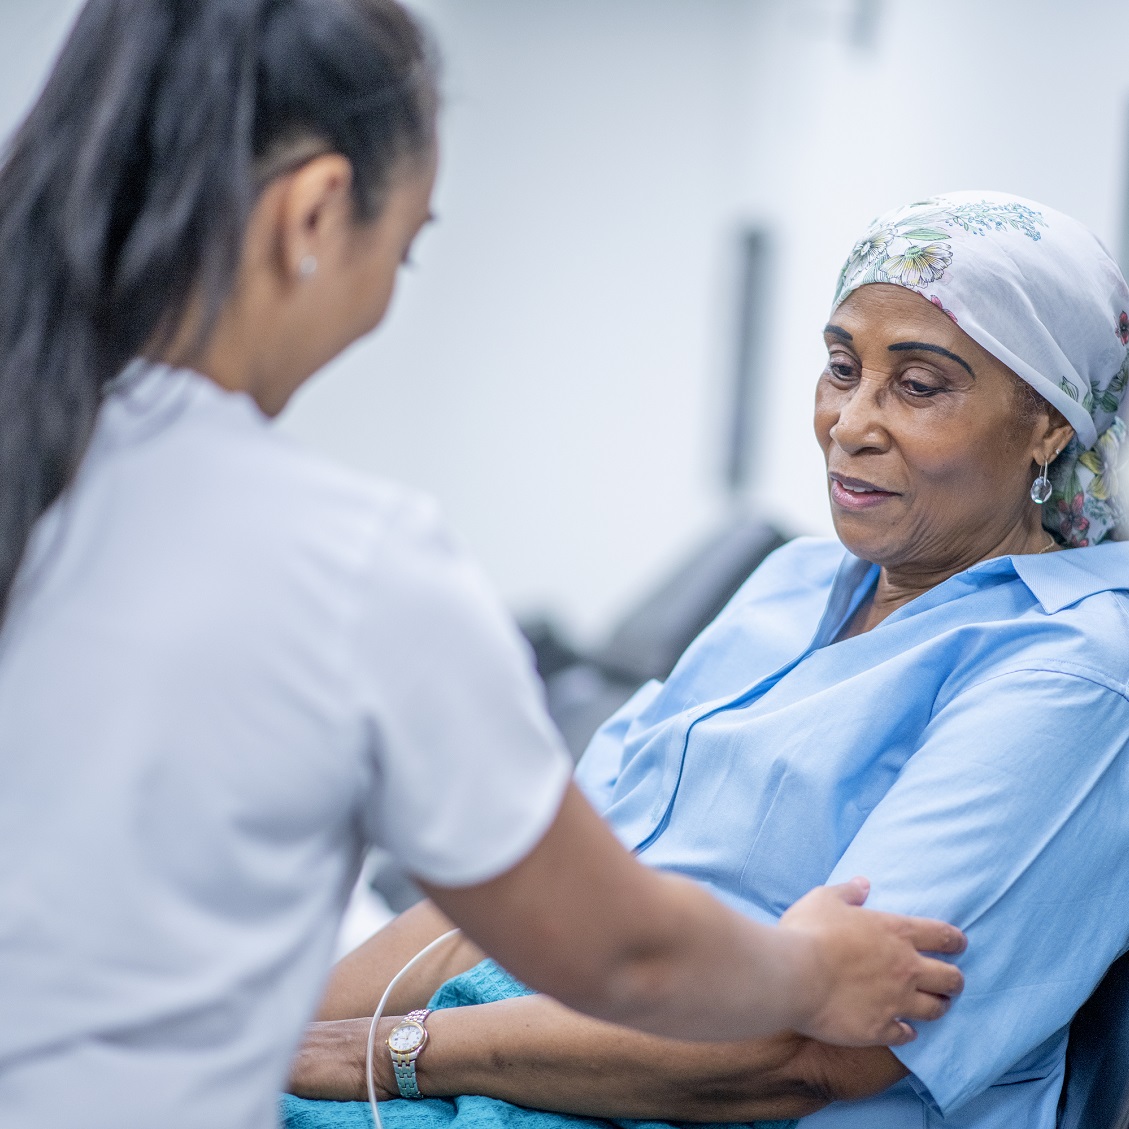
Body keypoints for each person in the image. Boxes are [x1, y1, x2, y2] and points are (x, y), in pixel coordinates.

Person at [0, 2, 972, 1128]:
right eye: (404, 246)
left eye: (916, 384)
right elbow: (623, 951)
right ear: (316, 211)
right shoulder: (350, 566)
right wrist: (811, 967)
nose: (856, 425)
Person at [286, 191, 1129, 1129]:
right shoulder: (794, 580)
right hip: (504, 1054)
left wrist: (383, 1052)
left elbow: (810, 1057)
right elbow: (546, 886)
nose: (850, 421)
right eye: (840, 368)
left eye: (918, 385)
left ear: (1048, 424)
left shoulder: (1072, 672)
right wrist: (267, 1040)